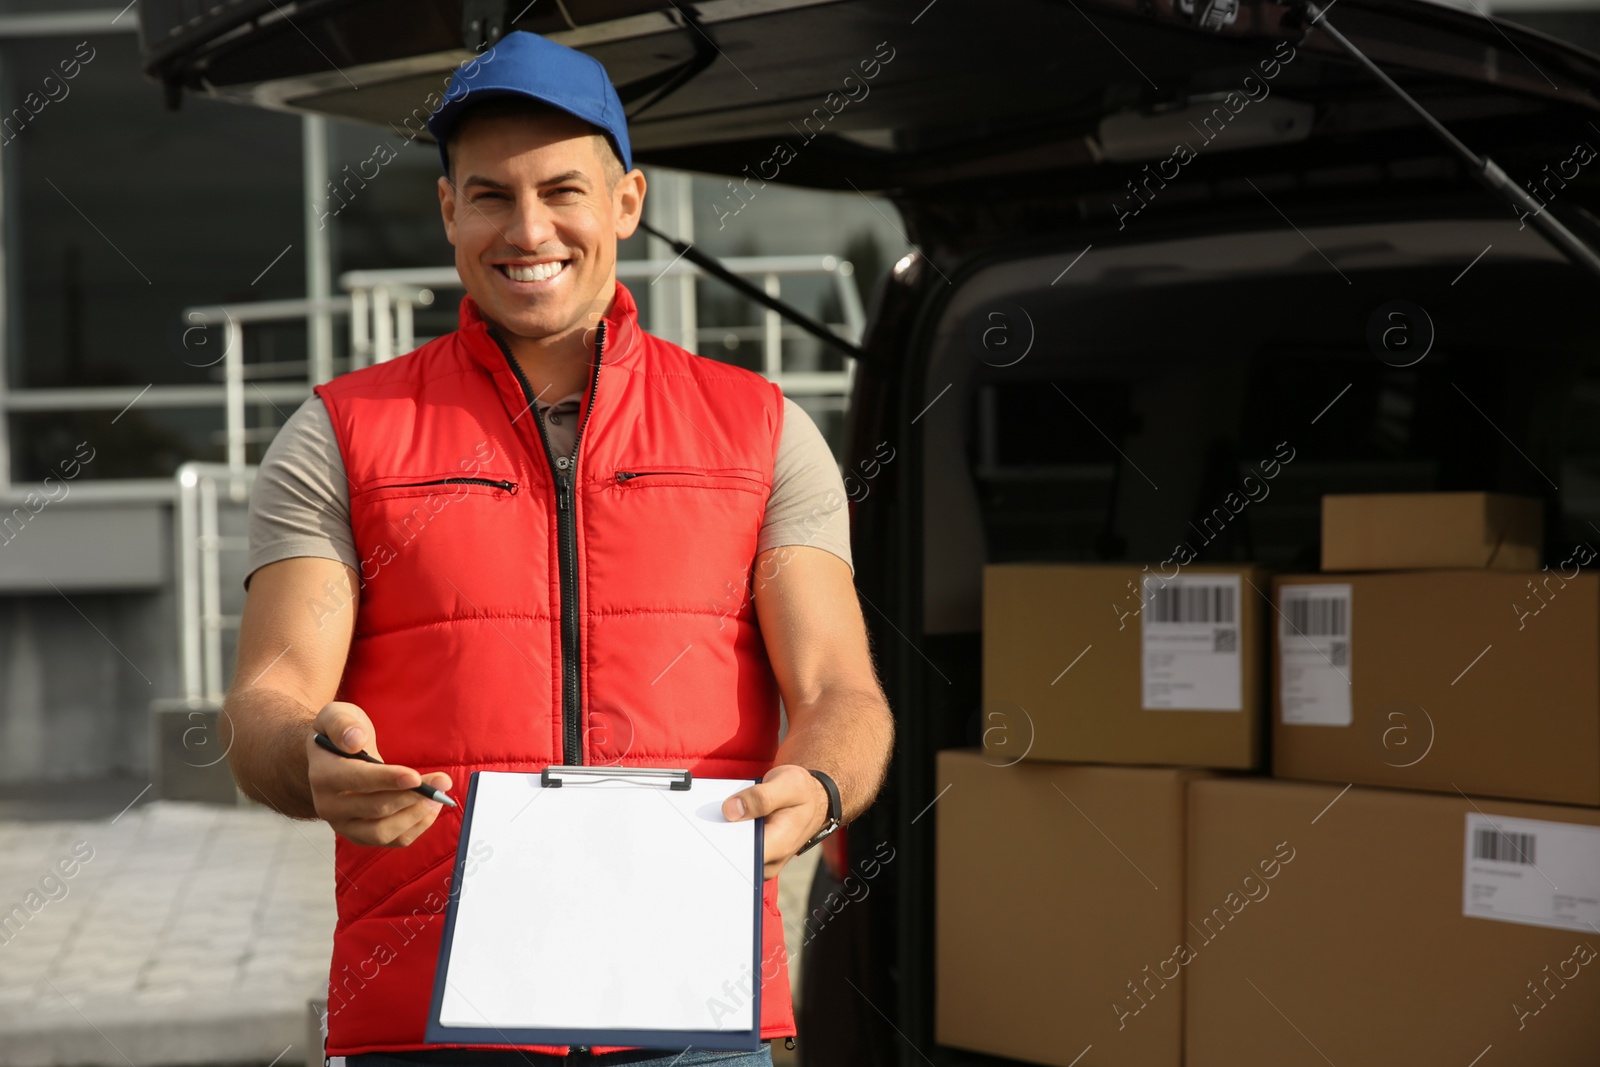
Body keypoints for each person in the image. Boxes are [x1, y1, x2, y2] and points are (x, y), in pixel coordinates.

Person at [222, 30, 895, 1067]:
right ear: (448, 210)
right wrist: (310, 759)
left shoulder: (762, 430)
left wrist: (820, 783)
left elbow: (841, 691)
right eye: (489, 195)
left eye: (562, 191)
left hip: (693, 1002)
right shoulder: (340, 434)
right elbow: (266, 704)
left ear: (627, 200)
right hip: (431, 1016)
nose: (527, 228)